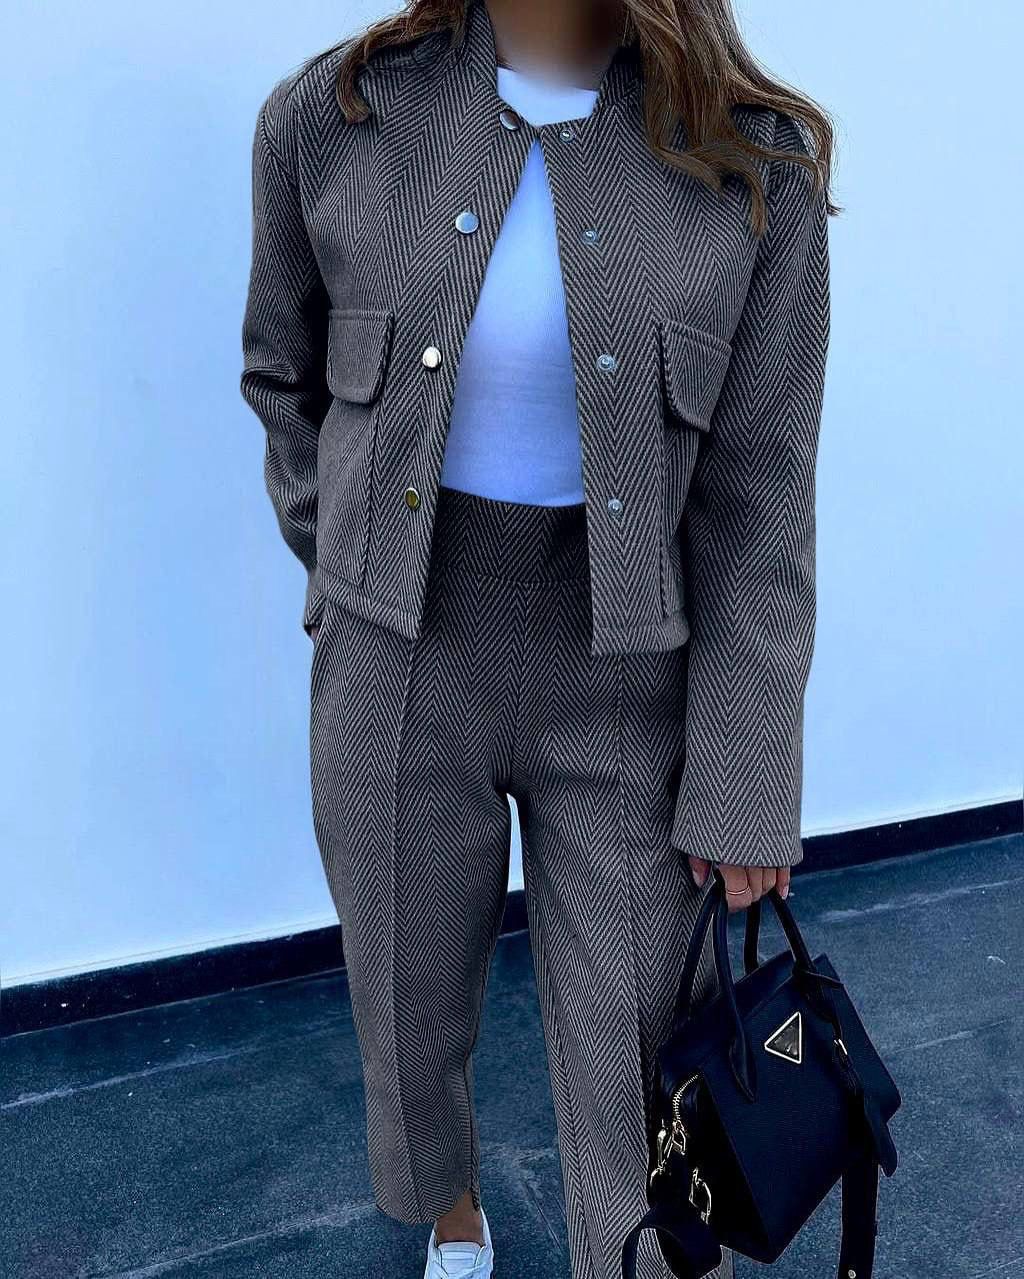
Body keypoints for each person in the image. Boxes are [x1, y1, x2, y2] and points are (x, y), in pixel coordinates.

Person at [239, 0, 834, 1274]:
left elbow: (763, 499)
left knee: (642, 1043)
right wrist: (344, 572)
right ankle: (452, 1210)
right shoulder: (334, 116)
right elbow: (281, 377)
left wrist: (746, 777)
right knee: (405, 1002)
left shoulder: (753, 160)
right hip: (398, 652)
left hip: (626, 670)